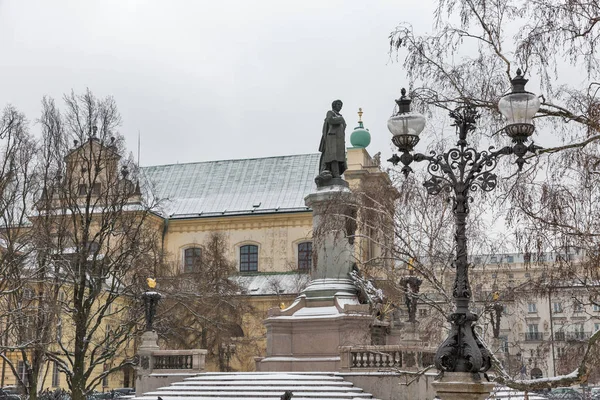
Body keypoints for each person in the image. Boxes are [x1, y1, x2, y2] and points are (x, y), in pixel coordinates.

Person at [319, 100, 347, 178]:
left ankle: (336, 173)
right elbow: (331, 120)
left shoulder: (340, 116)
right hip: (332, 139)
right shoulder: (330, 113)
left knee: (339, 158)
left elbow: (343, 127)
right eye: (338, 104)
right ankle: (335, 173)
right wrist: (340, 119)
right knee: (333, 157)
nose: (340, 106)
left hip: (339, 140)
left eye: (341, 105)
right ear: (334, 105)